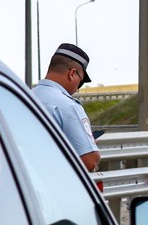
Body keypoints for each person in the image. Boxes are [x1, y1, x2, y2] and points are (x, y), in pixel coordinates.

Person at [31, 43, 101, 171]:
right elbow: (90, 161)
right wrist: (87, 144)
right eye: (80, 82)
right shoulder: (68, 107)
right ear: (72, 73)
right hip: (50, 185)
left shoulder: (23, 98)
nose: (77, 89)